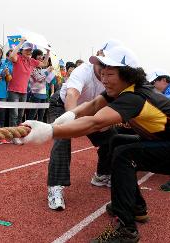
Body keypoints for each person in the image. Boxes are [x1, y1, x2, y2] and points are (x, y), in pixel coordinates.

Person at [21, 46, 170, 243]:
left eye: (110, 74)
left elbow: (95, 122)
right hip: (167, 143)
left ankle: (126, 231)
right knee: (115, 141)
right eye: (102, 73)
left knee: (125, 155)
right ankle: (136, 207)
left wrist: (50, 131)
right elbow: (93, 106)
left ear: (127, 75)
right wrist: (70, 115)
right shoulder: (123, 90)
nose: (104, 79)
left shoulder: (134, 97)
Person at [45, 41, 138, 211]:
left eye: (109, 65)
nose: (104, 70)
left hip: (91, 109)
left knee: (112, 138)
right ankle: (55, 187)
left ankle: (102, 175)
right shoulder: (83, 71)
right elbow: (72, 94)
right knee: (63, 137)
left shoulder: (115, 77)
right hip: (64, 106)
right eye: (101, 62)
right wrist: (71, 122)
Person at [7, 38, 49, 128]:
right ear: (22, 50)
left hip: (24, 92)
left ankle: (18, 133)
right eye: (26, 50)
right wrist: (21, 42)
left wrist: (48, 52)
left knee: (20, 115)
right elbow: (11, 56)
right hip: (13, 91)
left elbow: (44, 64)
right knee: (14, 114)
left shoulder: (32, 61)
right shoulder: (18, 58)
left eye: (30, 50)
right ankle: (13, 135)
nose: (29, 51)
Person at [26, 49, 54, 121]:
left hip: (43, 94)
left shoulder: (41, 68)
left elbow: (47, 80)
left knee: (41, 115)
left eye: (42, 55)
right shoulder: (32, 67)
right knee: (32, 115)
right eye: (39, 55)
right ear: (34, 56)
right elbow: (38, 78)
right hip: (35, 93)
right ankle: (28, 129)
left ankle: (40, 130)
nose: (41, 57)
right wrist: (47, 71)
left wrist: (51, 74)